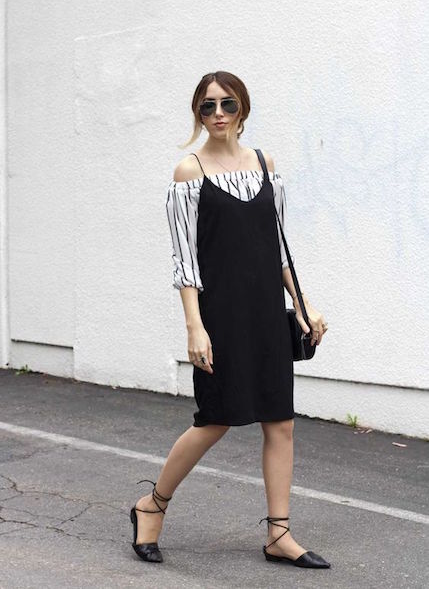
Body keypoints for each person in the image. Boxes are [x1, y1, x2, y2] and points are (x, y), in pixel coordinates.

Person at [129, 71, 330, 568]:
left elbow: (278, 249)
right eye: (208, 106)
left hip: (265, 312)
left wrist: (303, 304)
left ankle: (279, 534)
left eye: (228, 104)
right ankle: (151, 504)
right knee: (214, 420)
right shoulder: (189, 172)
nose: (218, 114)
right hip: (220, 315)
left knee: (280, 422)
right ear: (198, 114)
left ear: (243, 109)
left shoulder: (265, 165)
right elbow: (185, 263)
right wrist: (195, 326)